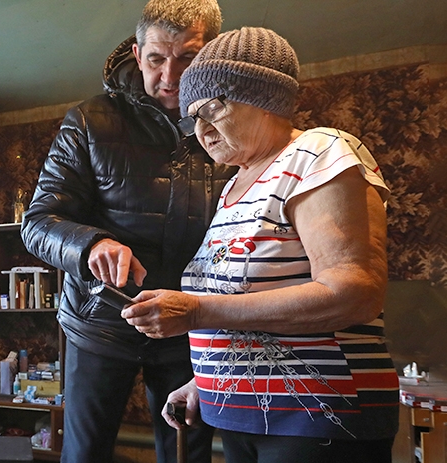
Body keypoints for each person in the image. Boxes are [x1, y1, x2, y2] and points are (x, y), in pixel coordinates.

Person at [122, 27, 399, 463]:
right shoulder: (234, 187)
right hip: (243, 417)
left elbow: (354, 293)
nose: (201, 130)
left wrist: (196, 311)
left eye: (212, 109)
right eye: (192, 117)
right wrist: (206, 382)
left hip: (318, 415)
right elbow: (249, 302)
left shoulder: (319, 152)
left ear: (263, 95)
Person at [20, 1, 235, 461]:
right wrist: (91, 244)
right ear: (137, 55)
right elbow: (37, 222)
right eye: (156, 59)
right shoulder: (88, 120)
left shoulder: (233, 126)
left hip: (191, 326)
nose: (170, 76)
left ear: (211, 52)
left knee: (186, 454)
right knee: (85, 453)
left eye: (188, 58)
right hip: (99, 324)